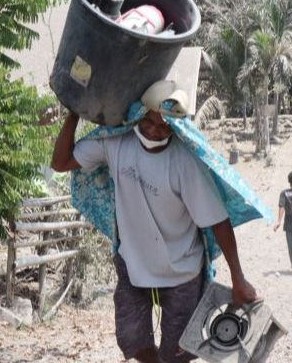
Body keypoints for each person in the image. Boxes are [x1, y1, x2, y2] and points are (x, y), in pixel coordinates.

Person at [50, 80, 261, 363]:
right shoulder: (115, 145)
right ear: (138, 116)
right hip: (133, 264)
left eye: (164, 126)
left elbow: (218, 221)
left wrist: (238, 278)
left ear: (176, 127)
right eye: (149, 122)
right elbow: (60, 163)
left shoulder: (185, 164)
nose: (155, 131)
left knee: (178, 352)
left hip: (181, 270)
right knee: (133, 341)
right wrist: (74, 114)